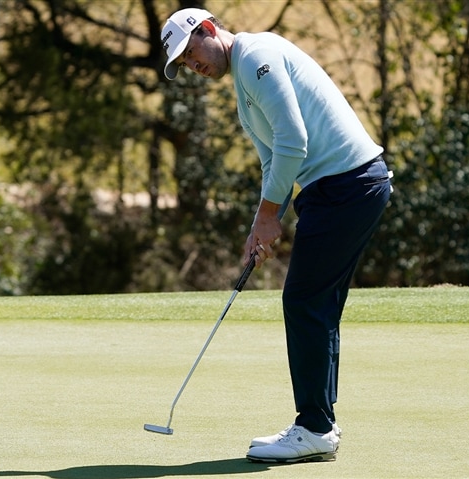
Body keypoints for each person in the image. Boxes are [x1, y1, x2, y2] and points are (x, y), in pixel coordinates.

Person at [160, 8, 392, 464]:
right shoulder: (244, 77)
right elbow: (273, 159)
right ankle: (320, 423)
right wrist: (261, 223)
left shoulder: (255, 56)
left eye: (190, 52)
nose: (193, 65)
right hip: (344, 188)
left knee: (304, 301)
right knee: (316, 304)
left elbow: (292, 139)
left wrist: (270, 215)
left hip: (345, 186)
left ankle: (315, 428)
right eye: (184, 63)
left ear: (208, 29)